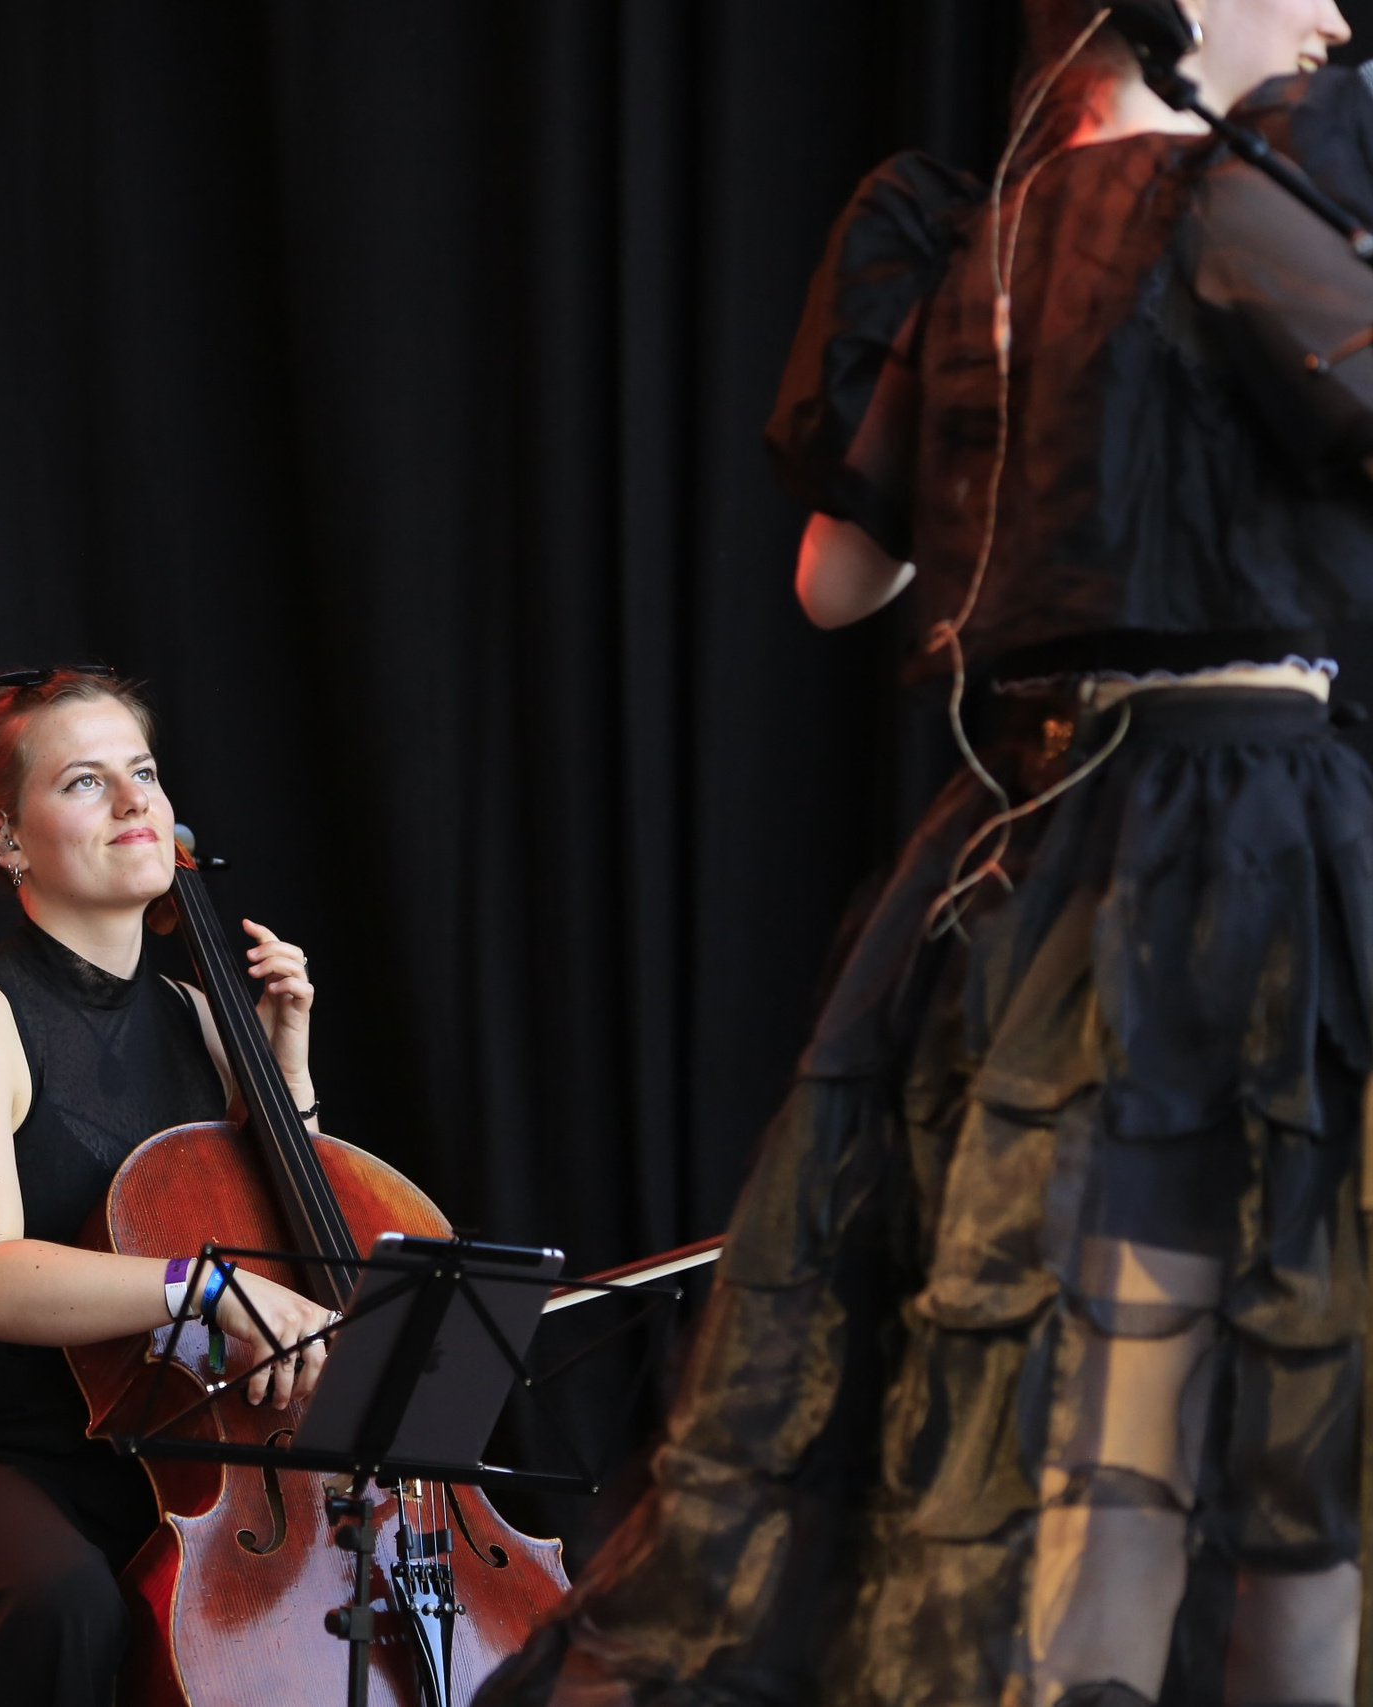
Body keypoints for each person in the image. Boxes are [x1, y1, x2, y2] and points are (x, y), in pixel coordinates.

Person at [497, 3, 1373, 1704]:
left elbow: (841, 580)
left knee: (1100, 1441)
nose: (1340, 14)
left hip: (1031, 861)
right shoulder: (1237, 200)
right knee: (1279, 1456)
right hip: (1237, 840)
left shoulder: (977, 242)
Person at [0, 668, 335, 1706]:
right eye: (86, 782)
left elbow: (298, 1258)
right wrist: (199, 1287)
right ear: (4, 838)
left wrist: (285, 1077)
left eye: (143, 771)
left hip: (156, 1462)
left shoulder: (204, 1019)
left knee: (307, 1609)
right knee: (66, 1601)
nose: (137, 801)